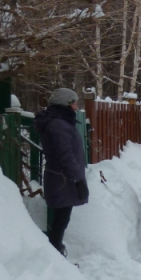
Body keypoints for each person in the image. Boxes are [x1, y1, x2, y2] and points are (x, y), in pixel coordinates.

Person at [33, 87, 89, 255]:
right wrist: (78, 179)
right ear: (65, 104)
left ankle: (56, 251)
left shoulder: (61, 122)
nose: (76, 107)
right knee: (60, 220)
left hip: (63, 178)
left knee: (61, 219)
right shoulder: (58, 124)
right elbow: (65, 154)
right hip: (63, 179)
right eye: (74, 103)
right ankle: (55, 254)